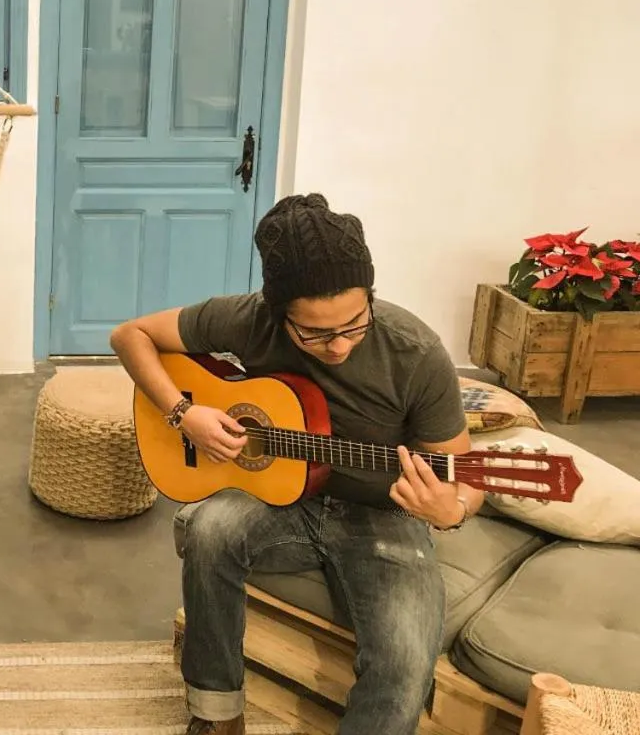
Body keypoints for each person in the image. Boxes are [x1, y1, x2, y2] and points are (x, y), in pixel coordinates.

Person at [109, 193, 478, 735]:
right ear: (278, 313)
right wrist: (184, 413)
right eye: (315, 333)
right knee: (209, 530)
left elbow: (464, 471)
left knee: (404, 659)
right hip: (284, 498)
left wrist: (454, 510)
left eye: (354, 323)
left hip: (384, 516)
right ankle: (217, 714)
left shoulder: (415, 352)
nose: (338, 346)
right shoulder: (248, 319)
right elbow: (130, 336)